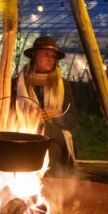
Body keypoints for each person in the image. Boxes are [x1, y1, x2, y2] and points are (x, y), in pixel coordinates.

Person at [14, 36, 78, 177]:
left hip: (56, 133)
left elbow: (72, 119)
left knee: (50, 139)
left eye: (53, 56)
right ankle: (43, 189)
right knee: (49, 145)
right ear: (34, 56)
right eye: (46, 54)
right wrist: (31, 117)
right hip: (27, 132)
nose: (51, 59)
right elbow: (9, 114)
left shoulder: (63, 84)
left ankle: (49, 189)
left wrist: (57, 116)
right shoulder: (19, 83)